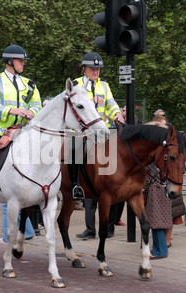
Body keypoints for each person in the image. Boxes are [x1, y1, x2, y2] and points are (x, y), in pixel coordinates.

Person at [0, 45, 42, 205]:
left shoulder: (29, 84)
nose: (23, 64)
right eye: (20, 60)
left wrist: (31, 112)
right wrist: (12, 110)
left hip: (23, 128)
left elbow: (37, 104)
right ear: (10, 61)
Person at [74, 52, 125, 239]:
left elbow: (111, 104)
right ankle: (75, 187)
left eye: (98, 68)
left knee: (111, 180)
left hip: (102, 135)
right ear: (84, 69)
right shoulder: (77, 84)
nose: (96, 71)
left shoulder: (104, 85)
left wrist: (117, 114)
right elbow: (75, 104)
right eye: (92, 68)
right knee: (82, 174)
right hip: (83, 134)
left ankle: (109, 227)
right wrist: (91, 101)